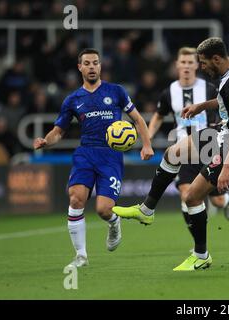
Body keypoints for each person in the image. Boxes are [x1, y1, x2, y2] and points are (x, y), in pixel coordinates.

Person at [113, 37, 229, 271]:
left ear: (217, 59)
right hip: (222, 133)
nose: (201, 67)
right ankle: (147, 209)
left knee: (191, 197)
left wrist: (228, 168)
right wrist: (202, 106)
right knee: (173, 152)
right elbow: (226, 102)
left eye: (203, 63)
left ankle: (201, 255)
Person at [33, 48, 154, 268]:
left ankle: (114, 222)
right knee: (76, 198)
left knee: (103, 209)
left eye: (95, 63)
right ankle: (81, 255)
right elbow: (58, 131)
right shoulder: (72, 99)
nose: (91, 67)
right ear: (79, 67)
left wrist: (146, 144)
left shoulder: (116, 91)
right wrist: (45, 141)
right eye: (87, 63)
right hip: (86, 152)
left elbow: (137, 119)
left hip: (110, 155)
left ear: (100, 66)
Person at [148, 47, 229, 226]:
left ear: (197, 65)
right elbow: (158, 115)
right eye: (183, 62)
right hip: (184, 151)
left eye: (190, 62)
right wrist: (148, 138)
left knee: (215, 200)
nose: (186, 66)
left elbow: (224, 108)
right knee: (186, 197)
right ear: (177, 65)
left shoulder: (209, 89)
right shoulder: (169, 92)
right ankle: (198, 242)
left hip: (207, 149)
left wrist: (220, 124)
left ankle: (224, 201)